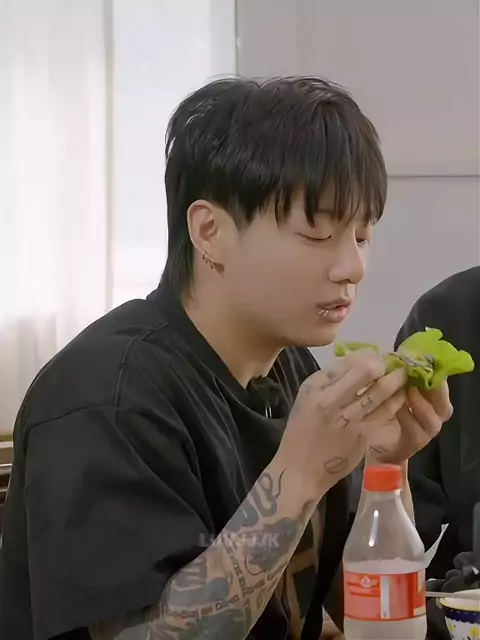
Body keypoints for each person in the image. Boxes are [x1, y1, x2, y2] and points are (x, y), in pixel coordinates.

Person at [0, 76, 452, 640]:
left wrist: (385, 466)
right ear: (210, 231)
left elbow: (363, 610)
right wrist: (299, 474)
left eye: (361, 236)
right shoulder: (104, 395)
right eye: (316, 235)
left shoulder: (291, 368)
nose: (352, 267)